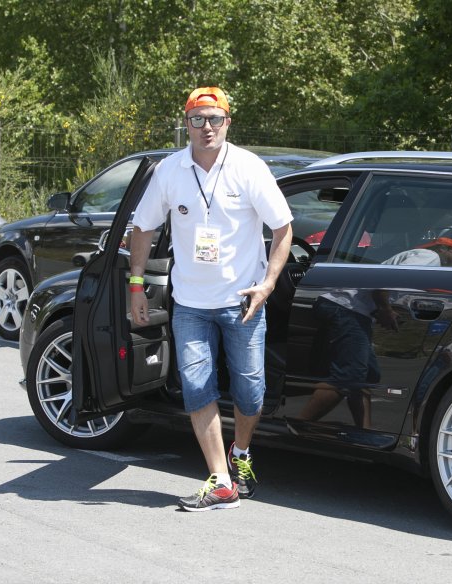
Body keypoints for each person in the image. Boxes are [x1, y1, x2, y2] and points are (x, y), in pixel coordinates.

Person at [127, 86, 294, 511]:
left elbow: (283, 229)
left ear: (227, 122)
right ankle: (221, 481)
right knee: (198, 387)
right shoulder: (170, 170)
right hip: (190, 303)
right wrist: (136, 285)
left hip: (243, 302)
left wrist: (267, 285)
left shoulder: (248, 168)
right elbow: (143, 228)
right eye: (198, 119)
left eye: (215, 119)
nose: (207, 127)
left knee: (250, 392)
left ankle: (241, 454)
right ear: (186, 123)